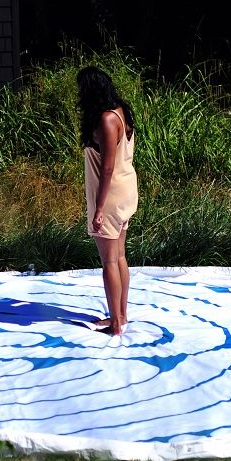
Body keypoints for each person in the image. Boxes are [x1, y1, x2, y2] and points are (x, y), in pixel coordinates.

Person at [77, 66, 139, 336]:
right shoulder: (120, 112)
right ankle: (121, 315)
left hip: (111, 194)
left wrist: (99, 208)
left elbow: (107, 169)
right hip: (126, 188)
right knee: (120, 256)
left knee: (109, 262)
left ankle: (115, 325)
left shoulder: (105, 120)